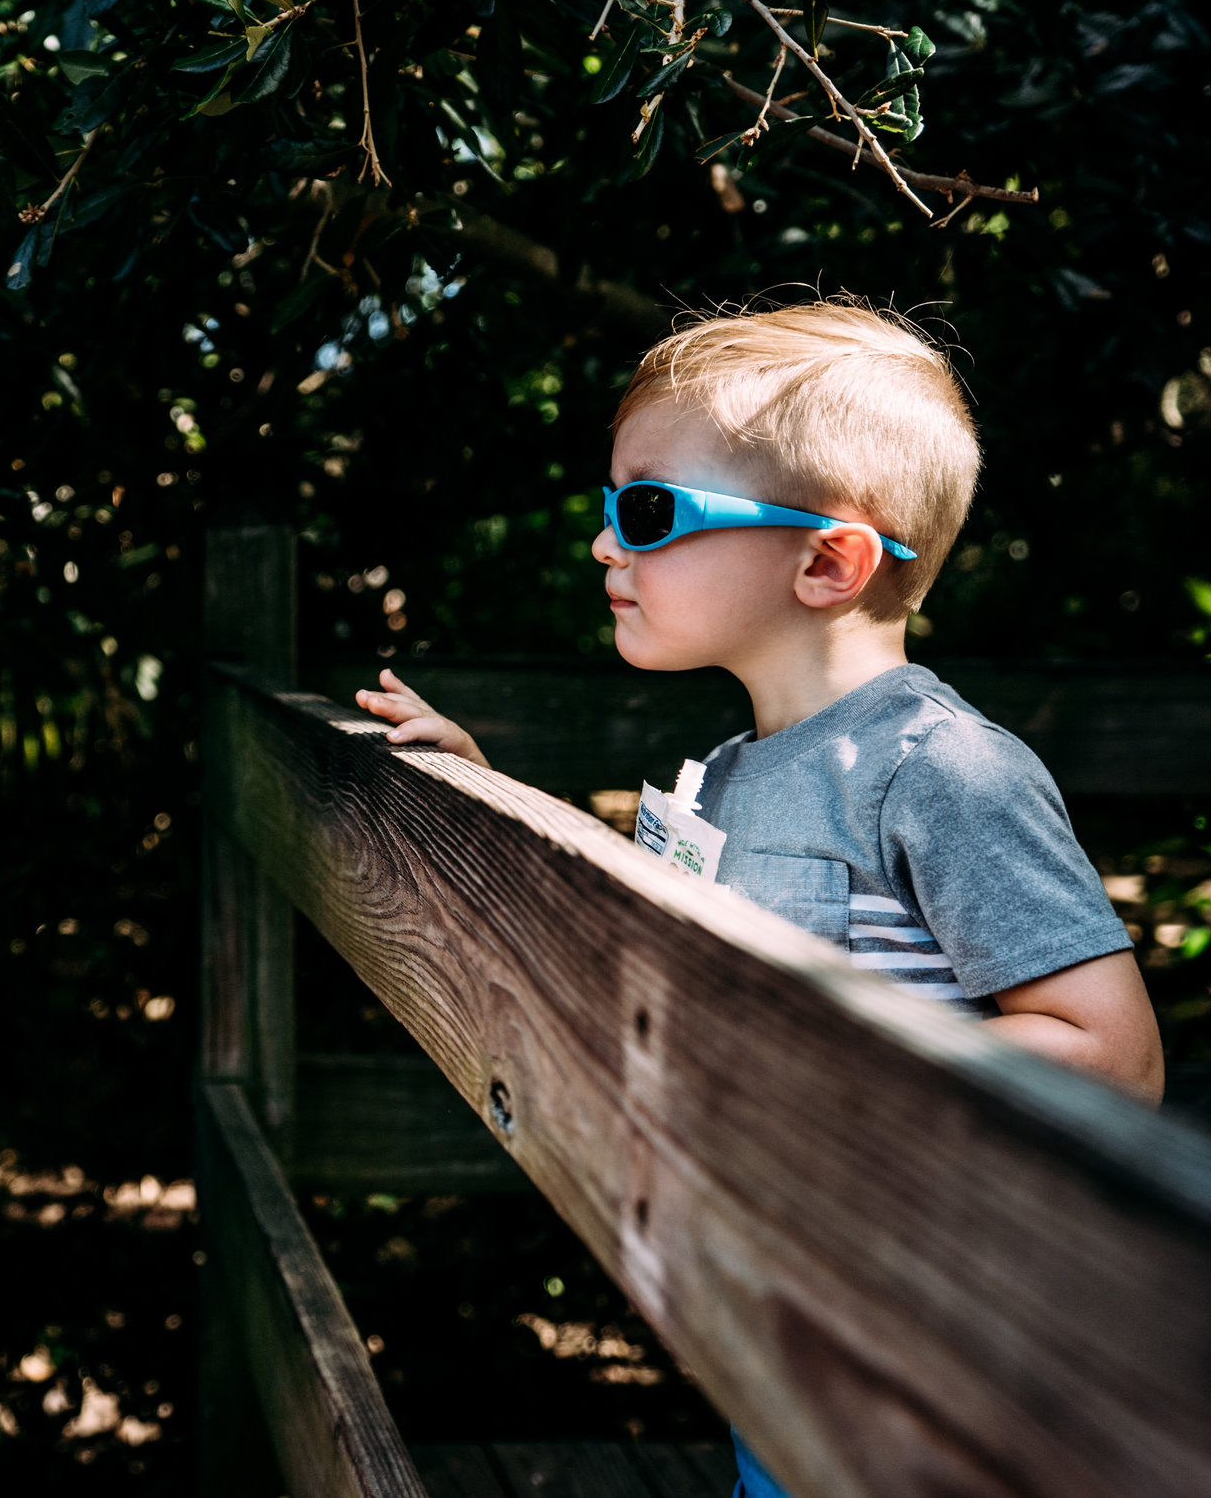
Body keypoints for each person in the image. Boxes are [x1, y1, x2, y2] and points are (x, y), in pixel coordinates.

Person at [356, 297, 1164, 1498]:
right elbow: (647, 924)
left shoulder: (938, 768)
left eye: (646, 509)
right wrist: (491, 796)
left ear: (826, 559)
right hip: (787, 1329)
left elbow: (1113, 1054)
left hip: (932, 1369)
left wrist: (812, 1071)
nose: (602, 543)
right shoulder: (732, 773)